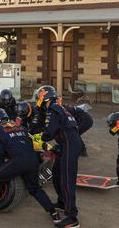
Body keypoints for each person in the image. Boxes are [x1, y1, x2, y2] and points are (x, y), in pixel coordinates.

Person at [0, 108, 60, 223]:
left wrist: (2, 167)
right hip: (33, 160)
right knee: (34, 188)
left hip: (18, 161)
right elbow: (29, 143)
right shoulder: (21, 127)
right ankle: (53, 212)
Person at [37, 85, 81, 228]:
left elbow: (49, 132)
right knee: (56, 174)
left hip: (69, 145)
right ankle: (62, 202)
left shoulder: (53, 109)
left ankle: (72, 217)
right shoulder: (60, 108)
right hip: (66, 144)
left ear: (44, 98)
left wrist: (38, 137)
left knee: (66, 180)